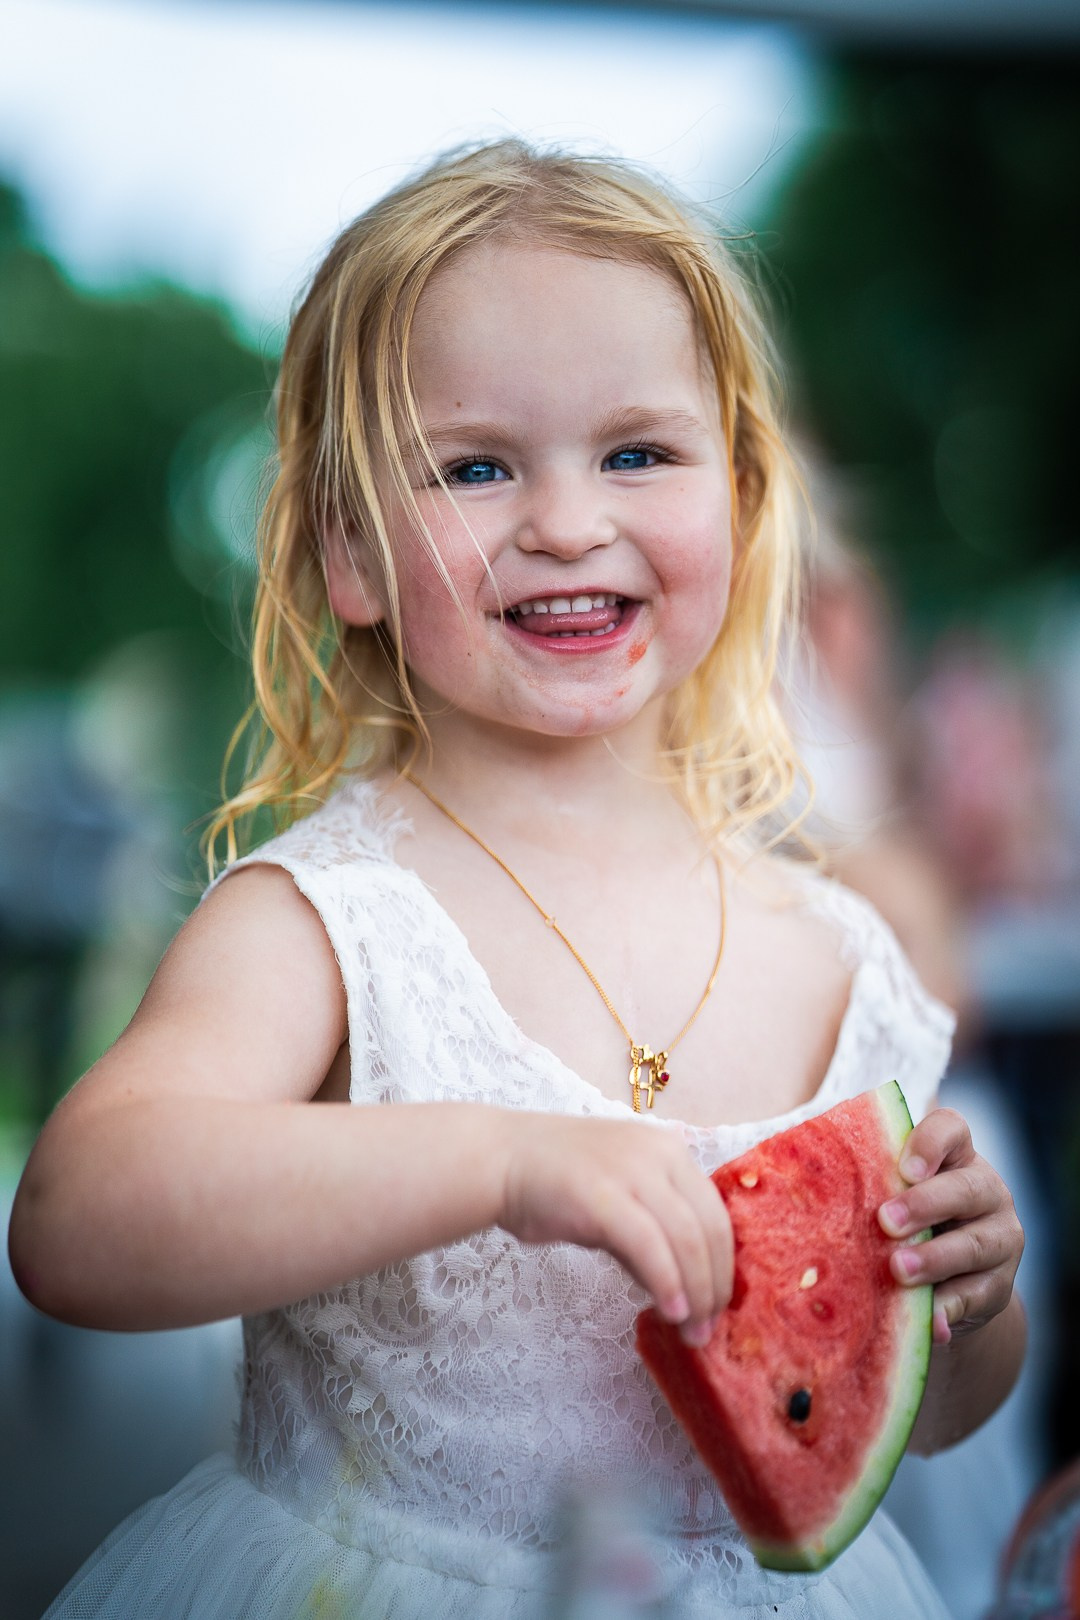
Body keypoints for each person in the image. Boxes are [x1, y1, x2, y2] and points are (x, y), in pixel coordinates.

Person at [9, 140, 1025, 1618]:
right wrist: (496, 1160)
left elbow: (923, 1419)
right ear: (351, 554)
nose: (564, 520)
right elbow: (75, 1222)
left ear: (739, 507)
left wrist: (969, 1310)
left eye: (637, 452)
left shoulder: (841, 952)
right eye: (477, 467)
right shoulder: (325, 918)